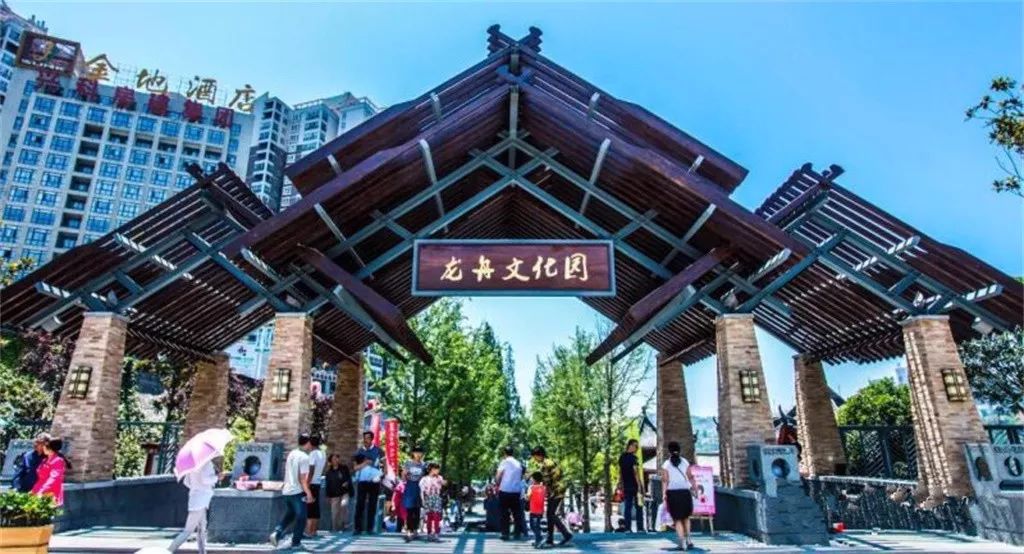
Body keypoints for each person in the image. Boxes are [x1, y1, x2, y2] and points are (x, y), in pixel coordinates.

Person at [269, 433, 315, 549]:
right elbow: (302, 479)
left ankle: (277, 532)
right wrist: (309, 493)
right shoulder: (304, 458)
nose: (311, 445)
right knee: (302, 517)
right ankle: (296, 542)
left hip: (287, 490)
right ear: (308, 443)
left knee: (290, 514)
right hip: (297, 492)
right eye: (310, 443)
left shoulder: (292, 453)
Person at [168, 457, 222, 553]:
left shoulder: (193, 466)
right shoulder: (207, 463)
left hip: (195, 499)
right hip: (201, 500)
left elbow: (187, 482)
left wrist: (196, 488)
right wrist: (217, 477)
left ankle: (202, 552)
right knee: (188, 531)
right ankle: (168, 551)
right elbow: (205, 480)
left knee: (202, 529)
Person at [530, 446, 573, 547]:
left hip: (556, 491)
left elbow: (547, 481)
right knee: (550, 514)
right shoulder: (550, 461)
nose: (535, 459)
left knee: (551, 514)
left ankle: (564, 535)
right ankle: (552, 538)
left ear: (539, 455)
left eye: (535, 457)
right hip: (557, 490)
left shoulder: (545, 464)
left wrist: (537, 485)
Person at [659, 441, 696, 551]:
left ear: (669, 451)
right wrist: (695, 488)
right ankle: (689, 540)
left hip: (673, 494)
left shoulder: (666, 464)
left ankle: (682, 543)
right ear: (679, 450)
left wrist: (664, 494)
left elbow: (665, 481)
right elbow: (690, 477)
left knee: (677, 519)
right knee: (686, 517)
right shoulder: (685, 462)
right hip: (685, 492)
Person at [495, 445, 526, 540]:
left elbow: (498, 475)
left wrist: (497, 483)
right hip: (516, 491)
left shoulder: (504, 462)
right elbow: (521, 476)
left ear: (505, 453)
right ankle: (517, 533)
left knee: (504, 513)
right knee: (516, 513)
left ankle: (505, 533)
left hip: (505, 490)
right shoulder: (518, 463)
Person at [30, 437, 68, 507]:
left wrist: (42, 490)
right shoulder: (45, 460)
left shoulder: (58, 461)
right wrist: (34, 490)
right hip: (39, 489)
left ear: (49, 448)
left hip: (50, 492)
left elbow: (54, 478)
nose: (43, 448)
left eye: (44, 446)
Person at [618, 438, 645, 532]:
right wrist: (640, 486)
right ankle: (640, 528)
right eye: (635, 446)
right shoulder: (634, 458)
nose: (637, 448)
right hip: (634, 485)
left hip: (626, 485)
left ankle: (627, 528)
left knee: (628, 506)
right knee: (639, 506)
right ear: (630, 445)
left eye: (637, 447)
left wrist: (620, 483)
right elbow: (636, 473)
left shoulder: (621, 457)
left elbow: (620, 472)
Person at [352, 453, 382, 535]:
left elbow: (381, 473)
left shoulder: (376, 454)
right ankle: (358, 528)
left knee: (371, 506)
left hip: (373, 483)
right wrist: (365, 463)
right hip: (363, 483)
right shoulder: (360, 461)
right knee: (360, 506)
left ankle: (369, 528)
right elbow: (355, 467)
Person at [401, 445, 427, 542]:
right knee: (409, 510)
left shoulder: (424, 465)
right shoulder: (408, 463)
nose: (418, 454)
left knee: (417, 509)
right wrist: (405, 479)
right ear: (413, 453)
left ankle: (415, 530)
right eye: (416, 452)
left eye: (420, 452)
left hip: (419, 487)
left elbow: (425, 476)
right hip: (410, 486)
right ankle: (409, 530)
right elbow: (403, 474)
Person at [305, 435, 327, 537]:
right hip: (318, 482)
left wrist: (307, 483)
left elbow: (311, 470)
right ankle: (314, 531)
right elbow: (323, 468)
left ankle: (308, 531)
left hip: (312, 483)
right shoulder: (323, 453)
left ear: (311, 443)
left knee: (310, 508)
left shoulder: (313, 454)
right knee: (315, 508)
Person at [324, 453, 352, 532]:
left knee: (344, 505)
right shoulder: (329, 472)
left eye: (337, 458)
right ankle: (335, 527)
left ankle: (344, 524)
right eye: (334, 459)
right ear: (331, 461)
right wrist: (328, 496)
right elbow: (328, 485)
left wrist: (346, 482)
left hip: (344, 492)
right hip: (334, 494)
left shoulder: (344, 468)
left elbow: (348, 478)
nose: (336, 460)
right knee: (335, 512)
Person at [420, 462, 445, 543]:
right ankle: (429, 533)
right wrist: (423, 500)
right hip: (428, 498)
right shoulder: (424, 479)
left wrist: (440, 480)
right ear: (432, 469)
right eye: (437, 469)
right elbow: (422, 491)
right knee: (429, 517)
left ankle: (436, 534)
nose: (438, 471)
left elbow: (442, 485)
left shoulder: (439, 477)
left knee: (436, 516)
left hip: (436, 497)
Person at [526, 471, 546, 548]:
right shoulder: (543, 488)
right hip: (540, 510)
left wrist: (525, 496)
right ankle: (538, 539)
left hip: (533, 510)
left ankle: (539, 539)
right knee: (537, 525)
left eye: (532, 478)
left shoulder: (531, 487)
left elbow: (528, 497)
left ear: (534, 479)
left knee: (532, 526)